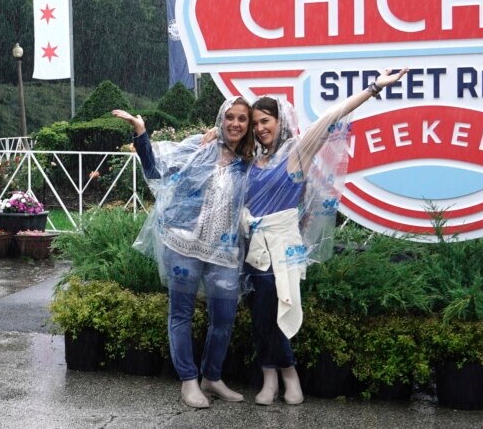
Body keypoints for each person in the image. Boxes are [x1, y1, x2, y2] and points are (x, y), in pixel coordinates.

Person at [242, 70, 408, 405]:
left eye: (266, 120)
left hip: (284, 245)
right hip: (253, 248)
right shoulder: (252, 161)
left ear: (279, 120)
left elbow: (334, 115)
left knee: (279, 307)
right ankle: (269, 377)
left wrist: (374, 87)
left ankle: (289, 375)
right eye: (256, 123)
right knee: (259, 314)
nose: (261, 128)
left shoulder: (297, 151)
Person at [112, 99, 253, 409]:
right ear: (221, 118)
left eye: (242, 118)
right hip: (183, 243)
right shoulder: (199, 147)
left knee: (224, 318)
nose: (235, 123)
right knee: (181, 314)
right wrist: (141, 133)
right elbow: (155, 169)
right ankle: (189, 381)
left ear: (249, 124)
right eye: (229, 116)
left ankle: (212, 378)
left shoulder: (250, 160)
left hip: (225, 251)